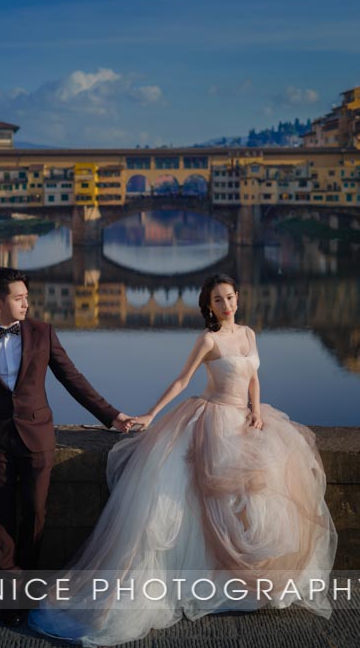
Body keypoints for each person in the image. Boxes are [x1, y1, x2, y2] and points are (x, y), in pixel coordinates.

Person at [29, 273, 337, 645]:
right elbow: (182, 381)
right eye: (218, 300)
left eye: (230, 297)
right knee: (200, 502)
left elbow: (254, 378)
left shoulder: (250, 334)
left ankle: (245, 585)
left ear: (238, 298)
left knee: (257, 499)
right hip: (214, 419)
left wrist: (256, 411)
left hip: (247, 420)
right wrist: (151, 414)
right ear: (208, 307)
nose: (226, 305)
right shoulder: (209, 340)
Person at [0, 267, 134, 628]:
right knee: (0, 520)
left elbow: (72, 378)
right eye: (19, 298)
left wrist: (111, 416)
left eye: (26, 297)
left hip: (36, 437)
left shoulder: (42, 333)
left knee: (35, 513)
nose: (26, 303)